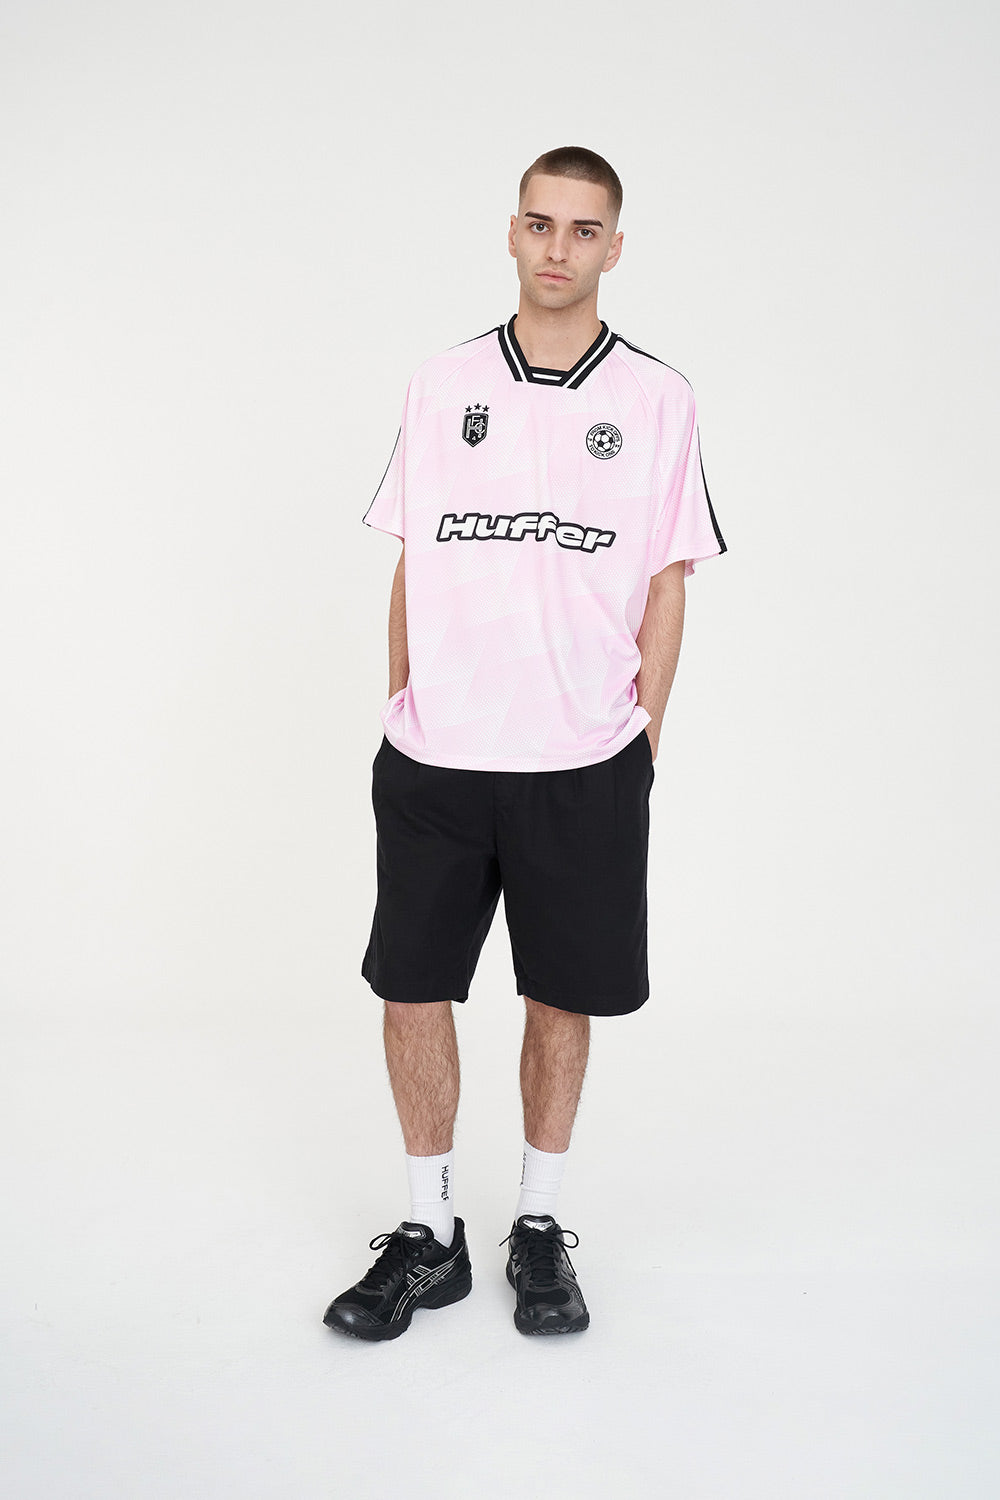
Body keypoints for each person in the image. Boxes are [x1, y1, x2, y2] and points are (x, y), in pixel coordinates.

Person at [323, 145, 727, 1342]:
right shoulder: (443, 383)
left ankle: (537, 1226)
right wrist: (404, 708)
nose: (558, 248)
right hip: (438, 758)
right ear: (511, 232)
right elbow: (415, 555)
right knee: (411, 990)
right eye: (540, 224)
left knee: (561, 995)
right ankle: (429, 1234)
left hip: (582, 761)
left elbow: (668, 579)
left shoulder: (656, 399)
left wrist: (640, 743)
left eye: (583, 229)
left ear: (614, 247)